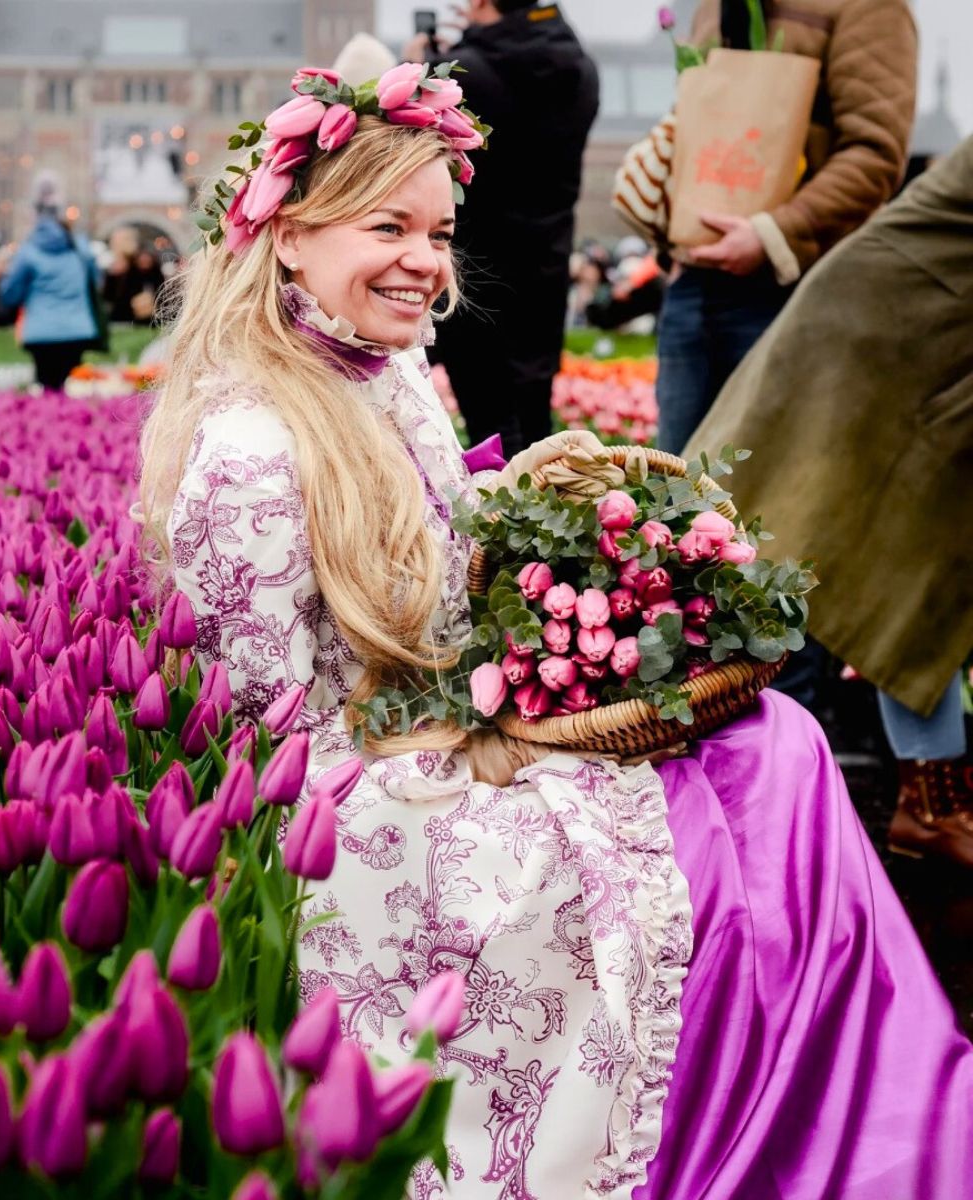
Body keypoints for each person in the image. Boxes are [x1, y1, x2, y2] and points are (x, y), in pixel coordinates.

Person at [138, 63, 973, 1197]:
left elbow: (452, 564)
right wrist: (511, 734)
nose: (426, 261)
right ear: (288, 234)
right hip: (372, 812)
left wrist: (598, 578)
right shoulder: (250, 448)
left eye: (438, 231)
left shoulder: (384, 377)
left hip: (455, 726)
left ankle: (830, 1125)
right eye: (388, 226)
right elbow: (275, 749)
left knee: (772, 742)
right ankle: (768, 1141)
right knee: (760, 772)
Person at [685, 137, 973, 869]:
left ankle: (930, 800)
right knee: (887, 565)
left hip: (926, 344)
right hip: (881, 341)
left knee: (916, 574)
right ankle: (709, 778)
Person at [655, 0, 917, 453]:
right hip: (693, 287)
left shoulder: (870, 6)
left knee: (766, 495)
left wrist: (772, 234)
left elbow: (875, 152)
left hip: (790, 292)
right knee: (668, 493)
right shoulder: (710, 8)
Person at [402, 0, 599, 458]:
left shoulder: (463, 75)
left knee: (489, 425)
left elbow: (408, 146)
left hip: (477, 269)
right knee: (533, 419)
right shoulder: (581, 69)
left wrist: (417, 71)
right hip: (545, 268)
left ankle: (496, 520)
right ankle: (538, 521)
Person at [0, 172, 101, 392]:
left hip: (41, 331)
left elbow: (10, 294)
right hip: (76, 329)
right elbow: (97, 282)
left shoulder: (29, 250)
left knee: (47, 389)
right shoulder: (79, 247)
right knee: (71, 389)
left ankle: (49, 426)